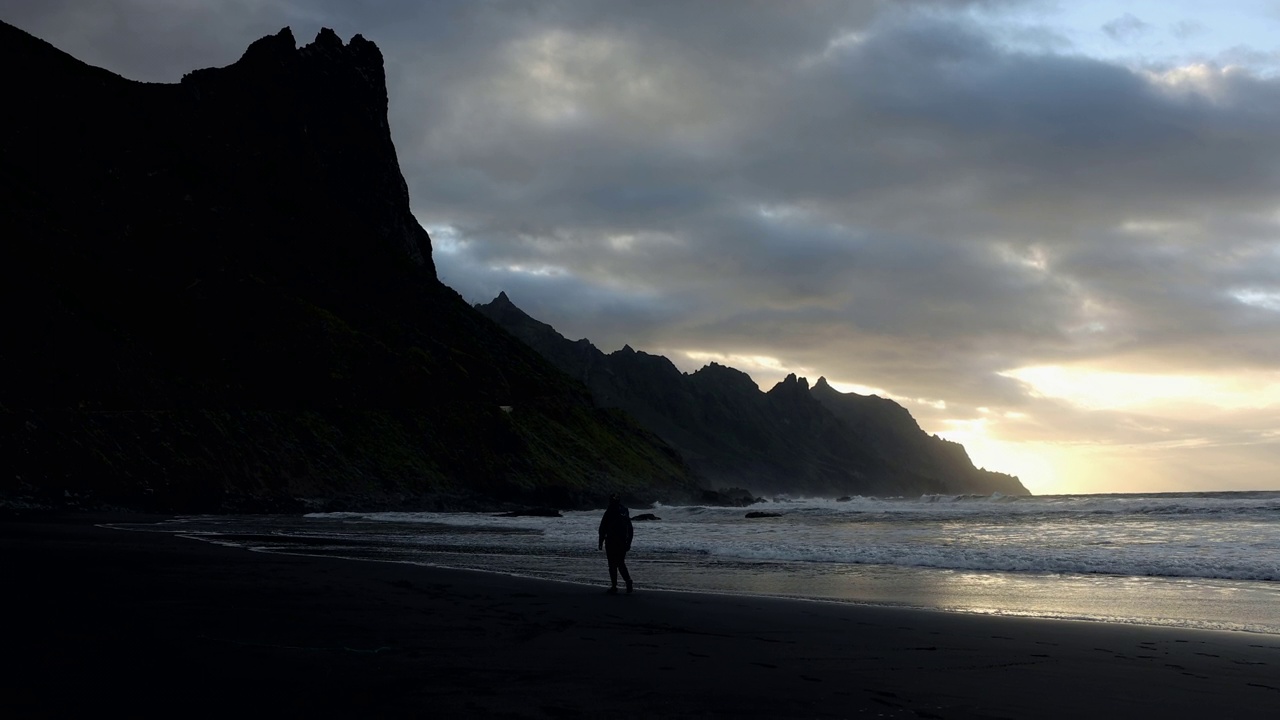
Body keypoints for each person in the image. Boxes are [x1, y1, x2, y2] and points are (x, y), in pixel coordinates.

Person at [597, 494, 634, 594]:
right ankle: (628, 581)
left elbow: (602, 527)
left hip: (611, 541)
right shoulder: (624, 511)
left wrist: (600, 541)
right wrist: (629, 542)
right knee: (620, 562)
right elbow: (630, 528)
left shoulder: (610, 511)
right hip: (622, 541)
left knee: (612, 564)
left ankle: (614, 586)